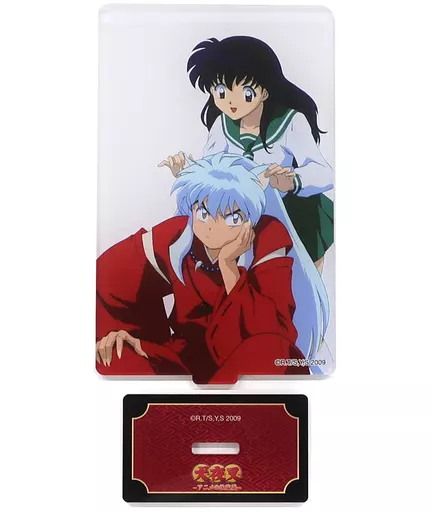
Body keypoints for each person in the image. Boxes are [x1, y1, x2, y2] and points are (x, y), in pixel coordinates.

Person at [96, 153, 323, 383]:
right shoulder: (180, 234)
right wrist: (132, 337)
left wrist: (229, 267)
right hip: (183, 362)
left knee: (269, 352)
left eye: (232, 218)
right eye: (204, 213)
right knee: (109, 357)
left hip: (245, 362)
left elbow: (274, 336)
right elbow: (110, 275)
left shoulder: (267, 237)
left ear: (250, 219)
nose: (214, 227)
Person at [159, 36, 334, 272]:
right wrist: (187, 172)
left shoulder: (291, 122)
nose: (231, 102)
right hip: (243, 213)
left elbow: (325, 174)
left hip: (291, 212)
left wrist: (292, 181)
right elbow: (211, 168)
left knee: (297, 276)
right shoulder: (222, 125)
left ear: (265, 91)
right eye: (221, 91)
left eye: (246, 93)